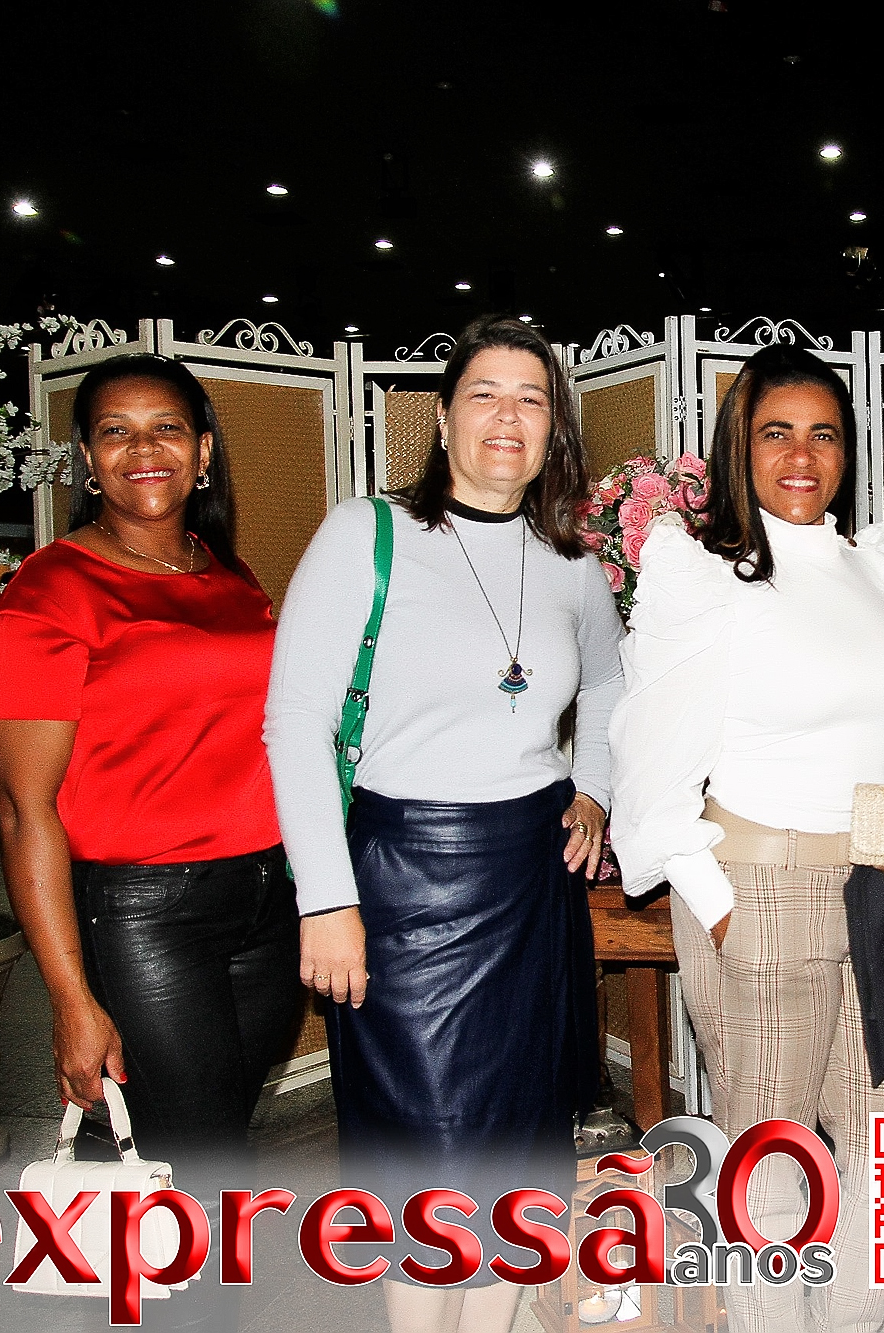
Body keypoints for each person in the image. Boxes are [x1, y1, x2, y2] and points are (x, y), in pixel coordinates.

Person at [265, 315, 621, 1333]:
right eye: (484, 394)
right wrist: (325, 899)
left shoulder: (570, 559)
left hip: (533, 881)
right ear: (441, 416)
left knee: (523, 1158)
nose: (508, 416)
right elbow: (294, 719)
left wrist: (592, 788)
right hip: (401, 884)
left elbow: (608, 685)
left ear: (553, 427)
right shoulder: (366, 534)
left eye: (531, 398)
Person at [610, 343, 884, 1333]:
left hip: (876, 890)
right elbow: (648, 761)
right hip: (757, 883)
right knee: (770, 1151)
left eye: (822, 433)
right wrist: (717, 909)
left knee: (882, 1142)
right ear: (738, 448)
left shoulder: (877, 567)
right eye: (775, 433)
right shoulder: (701, 571)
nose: (801, 455)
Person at [0, 353, 297, 1332]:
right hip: (146, 915)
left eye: (166, 428)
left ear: (203, 452)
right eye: (115, 430)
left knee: (203, 1145)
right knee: (197, 1162)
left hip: (264, 901)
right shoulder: (49, 591)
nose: (142, 449)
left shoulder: (224, 571)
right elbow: (22, 809)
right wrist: (70, 999)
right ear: (86, 456)